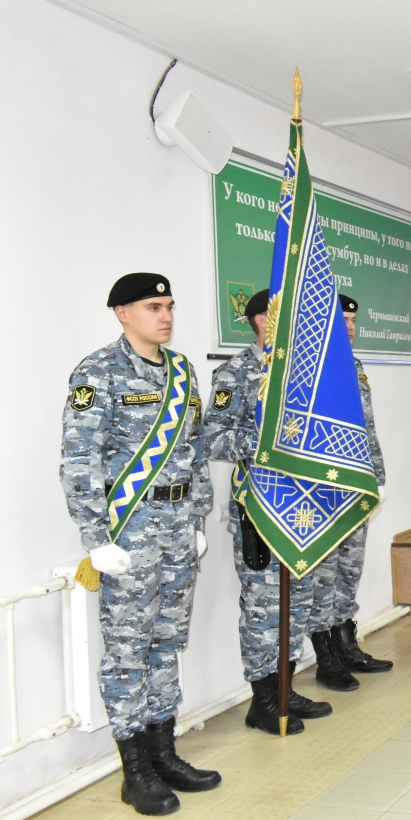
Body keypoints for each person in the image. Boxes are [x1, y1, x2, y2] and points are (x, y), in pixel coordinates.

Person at [60, 273, 220, 815]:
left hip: (177, 528)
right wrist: (95, 539)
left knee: (166, 641)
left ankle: (164, 752)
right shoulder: (98, 372)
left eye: (170, 305)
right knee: (128, 651)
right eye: (154, 307)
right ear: (122, 313)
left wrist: (197, 519)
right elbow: (79, 461)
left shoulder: (183, 372)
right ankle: (135, 772)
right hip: (129, 533)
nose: (166, 316)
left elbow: (196, 452)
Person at [203, 289, 334, 736]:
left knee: (297, 602)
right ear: (262, 320)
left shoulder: (302, 373)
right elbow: (213, 438)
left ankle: (286, 686)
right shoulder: (235, 372)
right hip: (259, 505)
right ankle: (263, 700)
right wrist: (267, 445)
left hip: (303, 506)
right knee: (264, 606)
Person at [309, 293, 392, 689]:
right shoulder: (309, 372)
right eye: (343, 321)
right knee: (323, 577)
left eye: (354, 321)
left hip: (356, 486)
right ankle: (326, 657)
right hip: (325, 490)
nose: (351, 328)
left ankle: (346, 645)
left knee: (349, 570)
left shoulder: (354, 367)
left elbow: (367, 428)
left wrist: (377, 475)